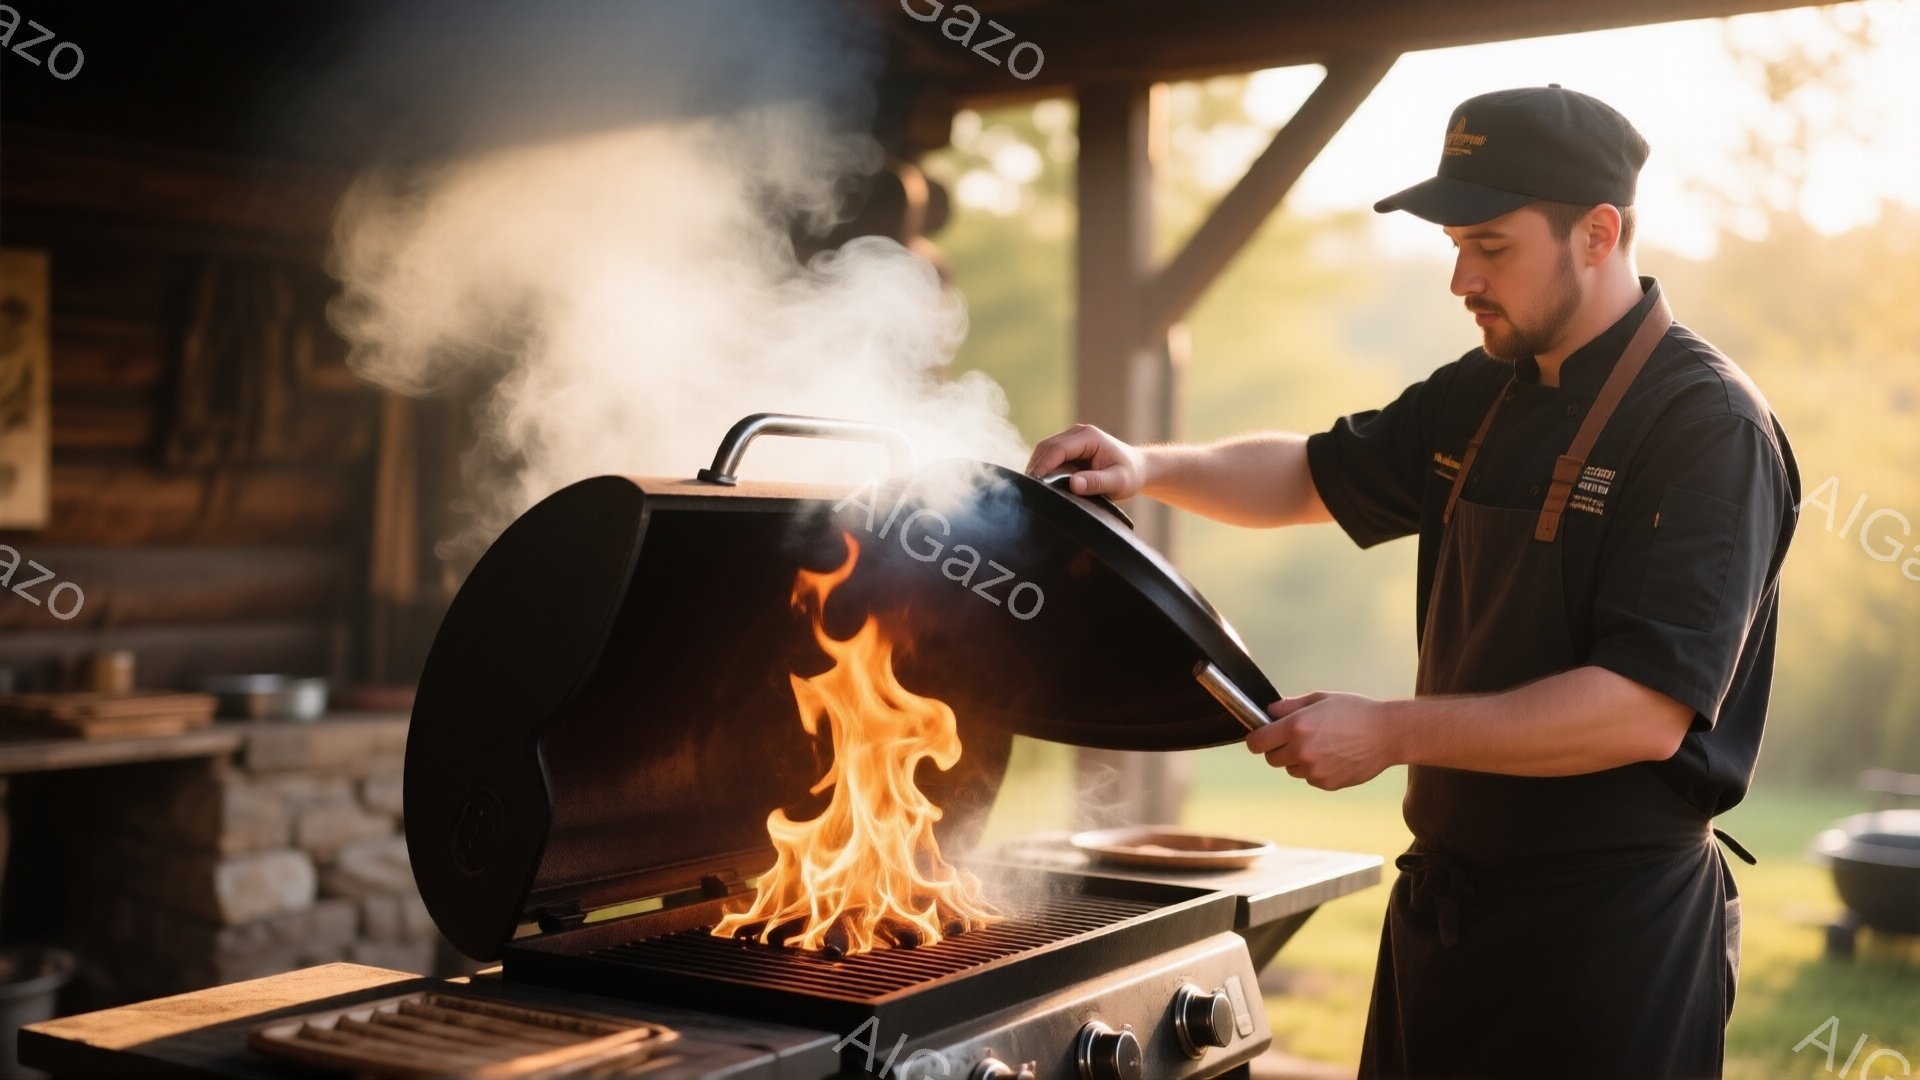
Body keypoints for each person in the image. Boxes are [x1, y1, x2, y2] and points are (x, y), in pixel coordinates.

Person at [1026, 85, 1800, 1079]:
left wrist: (1390, 730)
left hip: (1609, 945)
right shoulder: (1484, 391)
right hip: (1441, 923)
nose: (1459, 278)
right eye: (1452, 245)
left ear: (1599, 233)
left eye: (1490, 246)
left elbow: (1642, 711)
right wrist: (1149, 465)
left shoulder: (1706, 426)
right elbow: (1311, 473)